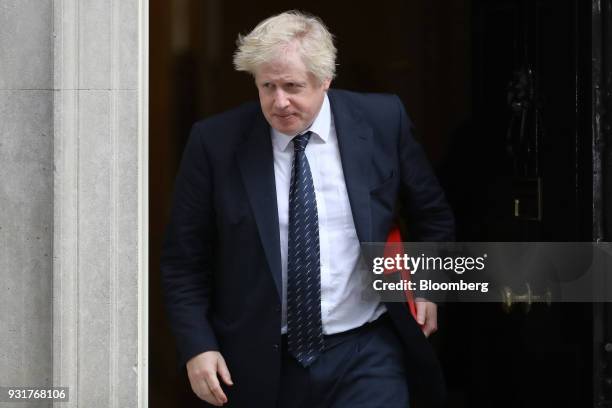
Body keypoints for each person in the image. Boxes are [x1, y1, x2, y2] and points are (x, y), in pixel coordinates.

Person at [161, 10, 454, 408]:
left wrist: (429, 286)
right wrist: (197, 346)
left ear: (325, 79)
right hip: (258, 360)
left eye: (293, 86)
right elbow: (184, 261)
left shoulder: (383, 120)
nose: (279, 102)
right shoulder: (215, 144)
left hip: (366, 349)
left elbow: (432, 214)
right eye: (267, 86)